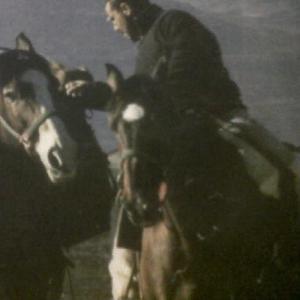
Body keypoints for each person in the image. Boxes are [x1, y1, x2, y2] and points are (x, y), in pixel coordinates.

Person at [66, 1, 297, 299]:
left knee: (281, 171)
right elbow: (142, 101)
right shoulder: (146, 45)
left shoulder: (175, 24)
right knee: (131, 189)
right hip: (171, 133)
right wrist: (97, 94)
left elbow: (179, 82)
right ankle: (127, 280)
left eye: (112, 17)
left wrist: (152, 105)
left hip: (219, 118)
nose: (113, 26)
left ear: (127, 8)